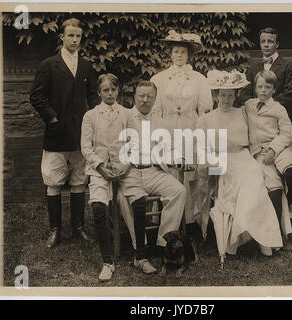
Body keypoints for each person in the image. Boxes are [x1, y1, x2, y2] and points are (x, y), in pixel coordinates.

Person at [195, 69, 288, 260]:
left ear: (236, 96)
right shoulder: (206, 119)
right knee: (231, 185)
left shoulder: (243, 113)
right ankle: (241, 232)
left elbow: (262, 129)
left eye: (230, 95)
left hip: (243, 157)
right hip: (221, 160)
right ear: (215, 96)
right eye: (222, 95)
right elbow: (201, 146)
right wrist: (211, 160)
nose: (226, 100)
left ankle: (261, 237)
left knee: (255, 180)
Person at [30, 18, 100, 248]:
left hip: (80, 134)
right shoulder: (49, 65)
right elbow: (36, 97)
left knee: (79, 180)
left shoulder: (87, 66)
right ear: (62, 37)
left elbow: (92, 97)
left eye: (78, 36)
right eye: (70, 35)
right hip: (57, 134)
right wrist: (52, 117)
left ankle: (78, 228)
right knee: (54, 181)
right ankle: (55, 230)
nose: (74, 40)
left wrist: (94, 119)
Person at [118, 80, 186, 274]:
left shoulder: (161, 122)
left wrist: (179, 158)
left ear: (155, 99)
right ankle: (140, 245)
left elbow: (171, 148)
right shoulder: (124, 118)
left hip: (153, 171)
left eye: (149, 96)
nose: (145, 100)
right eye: (141, 96)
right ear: (135, 97)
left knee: (179, 191)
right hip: (130, 172)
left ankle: (163, 241)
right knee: (123, 199)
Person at [151, 30, 212, 242]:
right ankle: (170, 225)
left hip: (190, 130)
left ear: (189, 55)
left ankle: (191, 222)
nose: (179, 55)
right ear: (170, 53)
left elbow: (204, 110)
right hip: (167, 130)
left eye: (183, 52)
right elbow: (155, 111)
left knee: (190, 176)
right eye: (175, 51)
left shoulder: (199, 79)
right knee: (170, 175)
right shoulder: (158, 79)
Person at [239, 27, 292, 211]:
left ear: (277, 43)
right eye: (263, 41)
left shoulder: (288, 66)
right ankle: (272, 206)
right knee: (268, 174)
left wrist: (269, 105)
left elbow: (291, 93)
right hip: (258, 127)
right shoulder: (253, 67)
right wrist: (256, 104)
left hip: (277, 123)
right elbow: (246, 93)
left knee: (289, 170)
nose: (266, 45)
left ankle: (287, 204)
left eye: (270, 41)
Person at [81, 73, 130, 281]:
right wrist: (101, 168)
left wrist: (126, 166)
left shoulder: (127, 114)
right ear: (99, 92)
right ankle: (107, 261)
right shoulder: (90, 116)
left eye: (113, 89)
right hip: (98, 170)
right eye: (105, 90)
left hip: (123, 168)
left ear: (118, 90)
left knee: (135, 198)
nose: (110, 94)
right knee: (99, 207)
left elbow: (133, 144)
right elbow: (85, 147)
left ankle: (141, 252)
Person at [244, 70, 292, 250]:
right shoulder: (248, 105)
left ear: (274, 89)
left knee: (291, 172)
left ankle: (289, 203)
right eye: (259, 86)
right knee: (275, 188)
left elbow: (287, 133)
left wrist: (274, 150)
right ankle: (278, 234)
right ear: (255, 88)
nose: (263, 90)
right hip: (259, 152)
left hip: (278, 146)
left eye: (267, 87)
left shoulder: (278, 108)